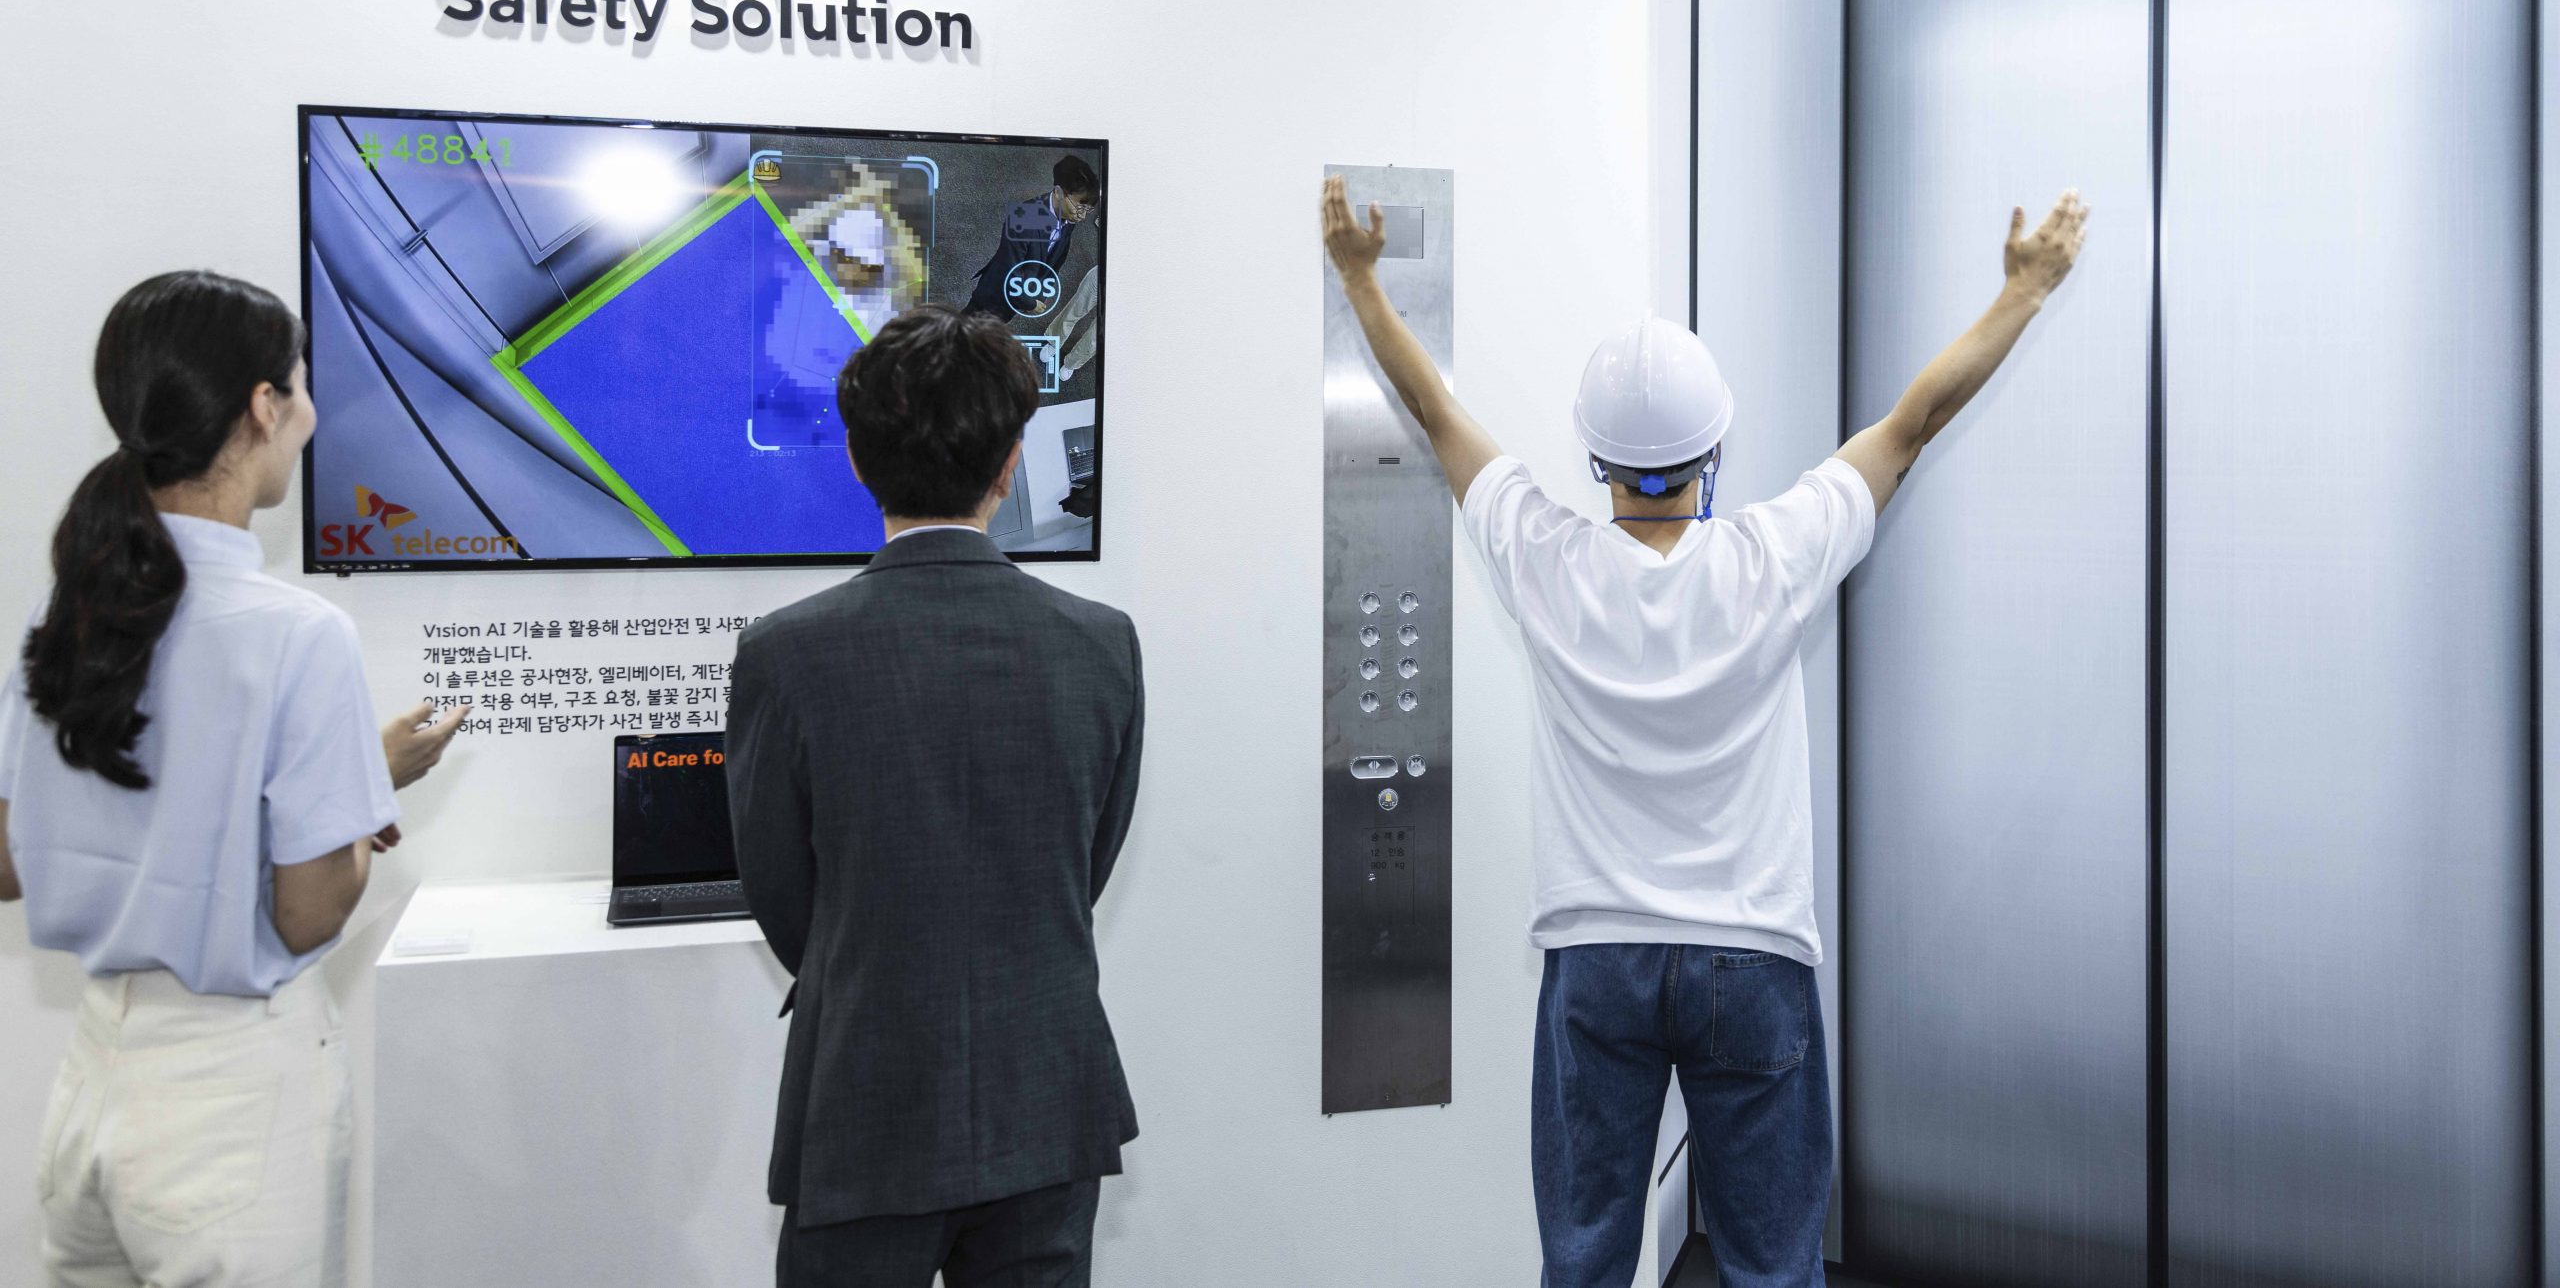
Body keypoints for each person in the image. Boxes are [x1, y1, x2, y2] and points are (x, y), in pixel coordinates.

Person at [1318, 177, 2088, 1288]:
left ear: (1594, 460)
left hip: (1596, 957)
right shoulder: (1776, 556)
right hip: (1751, 953)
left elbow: (1436, 411)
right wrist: (2024, 289)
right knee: (1771, 1266)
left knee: (1585, 1262)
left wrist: (1358, 279)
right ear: (1712, 448)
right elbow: (1912, 422)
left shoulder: (1545, 559)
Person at [0, 270, 468, 1288]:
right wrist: (359, 799)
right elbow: (306, 914)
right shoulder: (298, 634)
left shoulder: (63, 611)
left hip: (90, 1088)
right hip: (234, 1102)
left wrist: (346, 781)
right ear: (263, 405)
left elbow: (10, 860)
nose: (311, 414)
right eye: (300, 385)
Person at [727, 303, 1144, 1288]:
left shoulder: (784, 654)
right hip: (1045, 1094)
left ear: (857, 462)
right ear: (1010, 465)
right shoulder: (1101, 643)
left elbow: (781, 892)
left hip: (864, 1097)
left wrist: (873, 962)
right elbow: (1086, 862)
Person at [964, 155, 1101, 321]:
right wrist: (1030, 303)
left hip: (1021, 294)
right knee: (966, 327)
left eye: (1087, 210)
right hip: (996, 294)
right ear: (1058, 193)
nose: (1082, 216)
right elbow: (1008, 270)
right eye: (1080, 208)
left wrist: (1040, 293)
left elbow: (1056, 260)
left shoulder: (1069, 217)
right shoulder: (1022, 217)